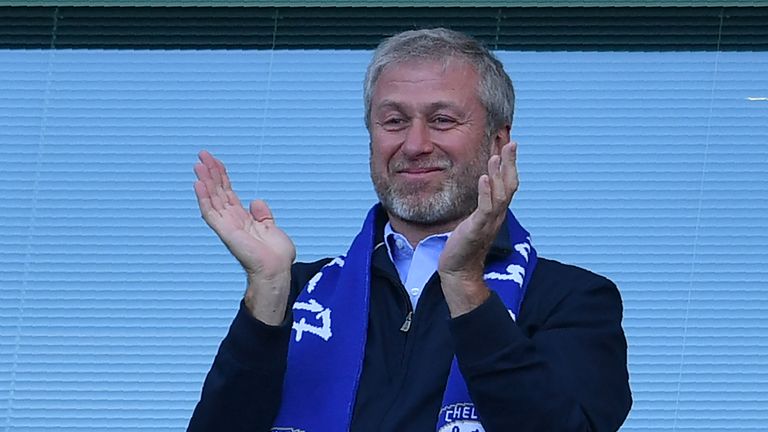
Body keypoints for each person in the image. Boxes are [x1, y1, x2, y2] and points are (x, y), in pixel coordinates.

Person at [188, 28, 632, 432]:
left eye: (442, 120)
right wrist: (267, 294)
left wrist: (465, 288)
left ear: (498, 142)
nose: (416, 145)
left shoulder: (570, 299)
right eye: (394, 121)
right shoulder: (296, 295)